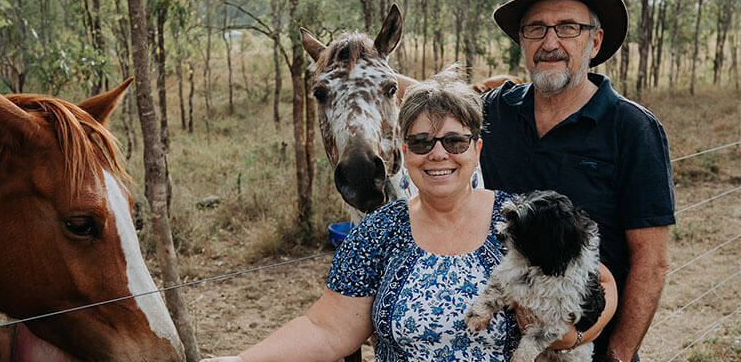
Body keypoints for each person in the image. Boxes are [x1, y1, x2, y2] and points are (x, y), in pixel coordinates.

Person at [203, 69, 617, 362]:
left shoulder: (521, 220)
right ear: (404, 153)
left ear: (477, 149)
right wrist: (241, 359)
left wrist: (574, 335)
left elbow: (601, 280)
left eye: (454, 141)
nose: (438, 153)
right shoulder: (379, 232)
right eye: (421, 142)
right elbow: (326, 330)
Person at [479, 0, 676, 362]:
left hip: (585, 345)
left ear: (595, 41)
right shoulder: (491, 114)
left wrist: (617, 356)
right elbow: (428, 120)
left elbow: (650, 263)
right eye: (536, 28)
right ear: (521, 39)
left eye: (568, 27)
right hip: (488, 346)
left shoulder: (632, 129)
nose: (550, 43)